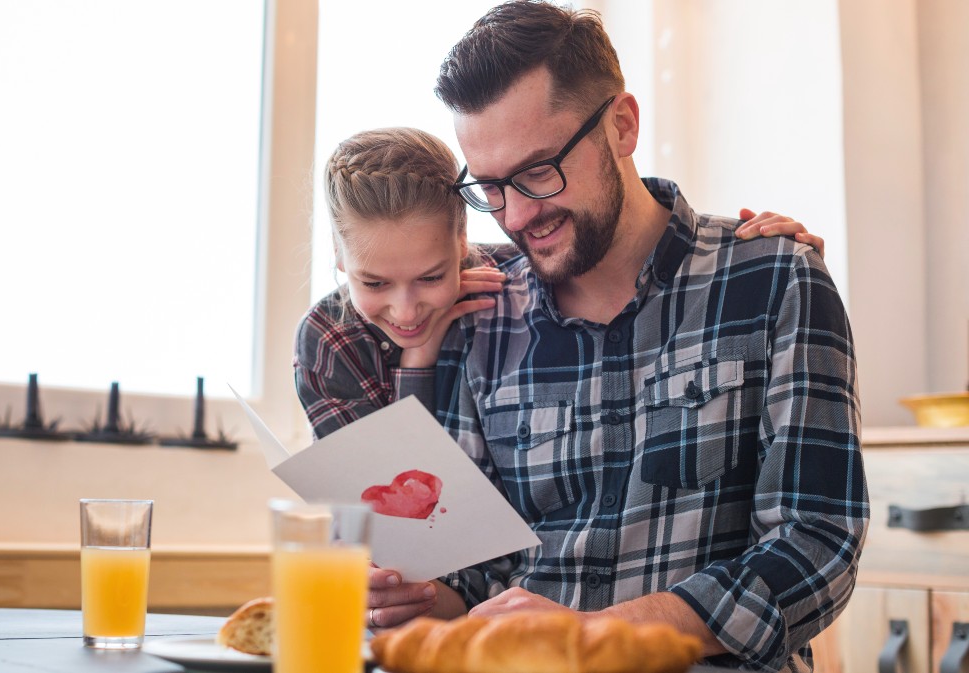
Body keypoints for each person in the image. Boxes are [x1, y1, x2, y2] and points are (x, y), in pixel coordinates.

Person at [362, 3, 867, 671]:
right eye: (489, 187)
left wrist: (604, 632)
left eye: (539, 171)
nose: (516, 214)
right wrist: (424, 598)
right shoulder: (479, 314)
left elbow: (816, 544)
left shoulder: (775, 280)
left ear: (623, 125)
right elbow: (478, 576)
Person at [294, 128, 820, 440]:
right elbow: (397, 499)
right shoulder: (328, 340)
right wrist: (420, 361)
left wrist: (767, 256)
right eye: (375, 282)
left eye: (431, 277)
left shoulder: (518, 285)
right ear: (339, 258)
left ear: (463, 242)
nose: (405, 310)